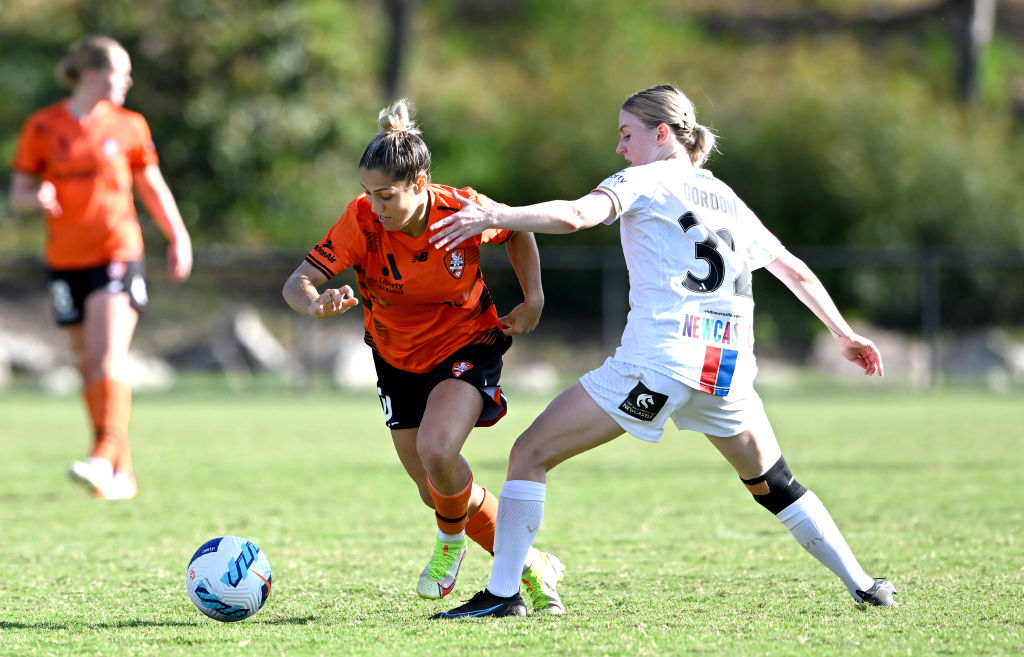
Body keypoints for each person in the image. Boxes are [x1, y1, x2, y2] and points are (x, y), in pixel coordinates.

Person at [429, 84, 897, 618]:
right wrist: (843, 333)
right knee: (775, 483)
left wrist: (497, 215)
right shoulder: (724, 195)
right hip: (727, 370)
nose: (620, 147)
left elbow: (578, 215)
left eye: (626, 134)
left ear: (661, 133)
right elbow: (792, 268)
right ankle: (865, 585)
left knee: (529, 454)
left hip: (660, 363)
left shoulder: (644, 179)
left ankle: (504, 594)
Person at [281, 99, 565, 612]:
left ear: (420, 183)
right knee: (433, 488)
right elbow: (297, 282)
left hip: (466, 343)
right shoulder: (361, 219)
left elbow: (517, 229)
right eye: (369, 193)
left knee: (438, 451)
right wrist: (316, 303)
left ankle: (449, 543)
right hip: (395, 356)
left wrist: (534, 299)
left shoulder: (461, 210)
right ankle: (529, 564)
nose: (376, 206)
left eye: (386, 195)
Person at [9, 35, 193, 501]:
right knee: (87, 364)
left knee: (109, 356)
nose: (129, 81)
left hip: (117, 252)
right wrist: (36, 198)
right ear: (92, 74)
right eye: (121, 72)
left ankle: (102, 453)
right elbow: (18, 193)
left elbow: (151, 185)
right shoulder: (43, 126)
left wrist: (177, 235)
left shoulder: (130, 125)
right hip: (65, 261)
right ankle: (120, 472)